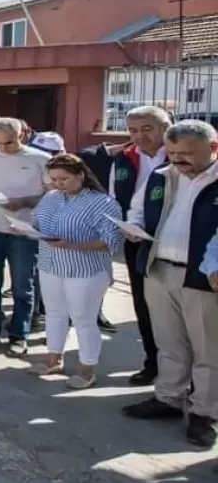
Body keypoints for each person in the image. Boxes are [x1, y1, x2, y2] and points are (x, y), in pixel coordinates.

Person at [124, 120, 218, 448]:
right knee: (169, 341)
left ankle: (205, 412)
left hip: (203, 276)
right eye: (173, 152)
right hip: (159, 269)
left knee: (208, 348)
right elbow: (137, 209)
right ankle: (169, 398)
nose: (177, 159)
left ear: (213, 148)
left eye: (187, 153)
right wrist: (133, 227)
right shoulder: (161, 175)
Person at [80, 104, 170, 385]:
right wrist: (124, 226)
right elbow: (116, 197)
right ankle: (152, 363)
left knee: (175, 311)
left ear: (165, 127)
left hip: (174, 243)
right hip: (137, 239)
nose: (139, 135)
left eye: (147, 128)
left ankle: (182, 373)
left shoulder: (181, 155)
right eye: (132, 130)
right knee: (143, 305)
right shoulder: (125, 158)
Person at [30, 154, 123, 389]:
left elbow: (111, 240)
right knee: (54, 313)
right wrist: (25, 229)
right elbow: (37, 222)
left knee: (83, 319)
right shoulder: (50, 197)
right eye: (54, 179)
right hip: (51, 264)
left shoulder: (102, 202)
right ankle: (54, 359)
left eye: (64, 179)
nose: (58, 184)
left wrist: (74, 245)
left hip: (85, 270)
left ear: (80, 175)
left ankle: (86, 369)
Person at [0, 117, 49, 357]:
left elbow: (53, 194)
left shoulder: (41, 159)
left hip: (25, 231)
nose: (3, 148)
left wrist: (25, 201)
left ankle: (19, 334)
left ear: (22, 135)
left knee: (23, 287)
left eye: (9, 143)